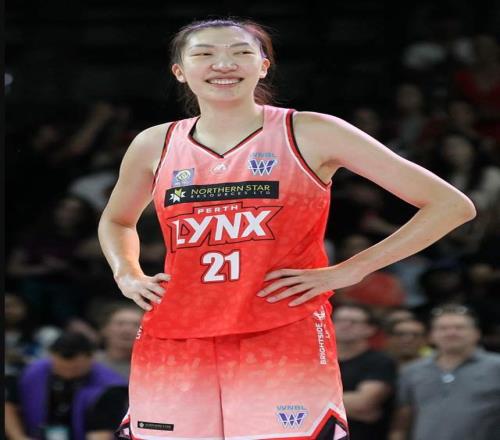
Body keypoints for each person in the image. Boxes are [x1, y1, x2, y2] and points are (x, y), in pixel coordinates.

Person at [97, 17, 477, 440]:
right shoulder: (155, 143)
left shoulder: (310, 131)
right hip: (176, 333)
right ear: (180, 71)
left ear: (263, 66)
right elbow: (117, 219)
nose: (223, 63)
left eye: (240, 52)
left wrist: (350, 270)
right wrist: (126, 272)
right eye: (204, 53)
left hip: (281, 329)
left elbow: (450, 205)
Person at [389, 304, 500, 440]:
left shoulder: (496, 367)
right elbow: (401, 424)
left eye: (459, 328)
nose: (451, 333)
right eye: (443, 328)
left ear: (477, 333)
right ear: (431, 336)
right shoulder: (412, 371)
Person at [5, 332, 126, 440]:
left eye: (74, 369)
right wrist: (19, 437)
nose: (67, 373)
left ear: (91, 358)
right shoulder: (32, 372)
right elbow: (9, 405)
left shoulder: (111, 388)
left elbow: (101, 435)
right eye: (61, 368)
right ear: (51, 356)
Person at [334, 304, 397, 440]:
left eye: (353, 322)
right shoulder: (318, 361)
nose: (345, 325)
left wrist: (312, 399)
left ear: (370, 329)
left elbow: (363, 404)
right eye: (339, 320)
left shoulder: (380, 361)